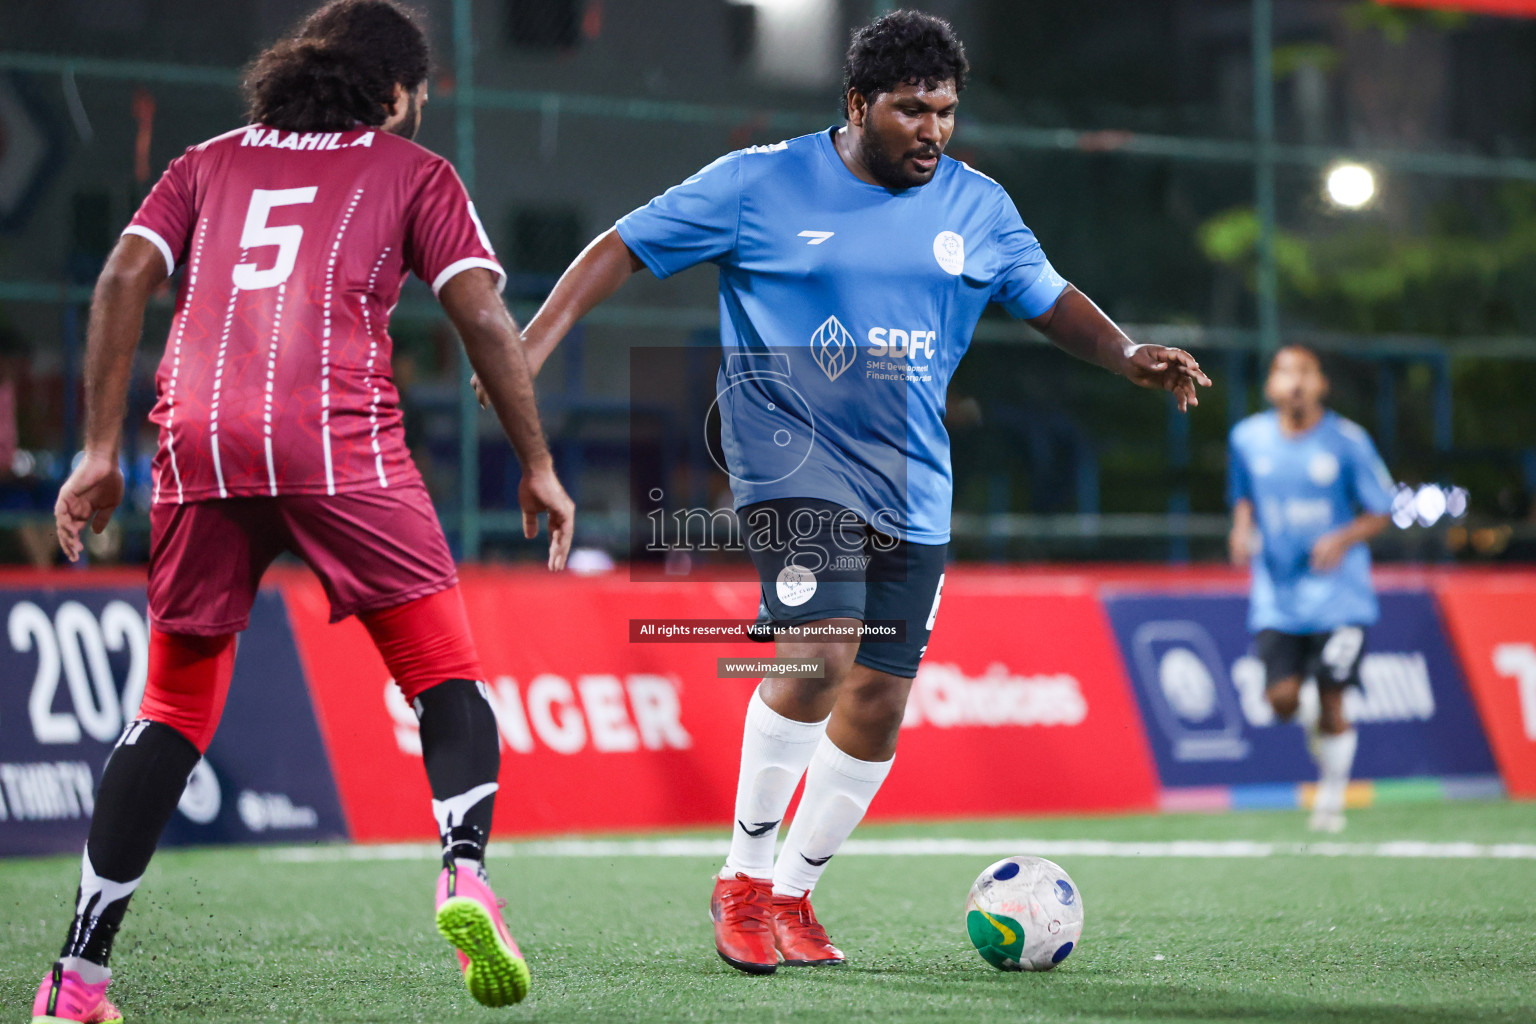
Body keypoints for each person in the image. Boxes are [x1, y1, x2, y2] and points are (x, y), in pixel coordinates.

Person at [476, 9, 1210, 974]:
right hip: (789, 462)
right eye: (912, 111)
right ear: (859, 104)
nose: (933, 131)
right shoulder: (758, 181)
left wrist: (1124, 354)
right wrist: (528, 348)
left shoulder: (976, 205)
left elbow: (1046, 295)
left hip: (912, 479)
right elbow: (618, 245)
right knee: (819, 654)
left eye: (946, 112)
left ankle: (793, 892)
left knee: (878, 701)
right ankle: (740, 879)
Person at [36, 2, 573, 1019]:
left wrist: (100, 450)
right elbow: (483, 318)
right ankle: (463, 872)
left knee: (170, 713)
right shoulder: (414, 173)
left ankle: (77, 976)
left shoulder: (204, 160)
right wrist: (537, 462)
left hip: (197, 447)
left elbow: (121, 278)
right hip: (338, 445)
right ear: (394, 89)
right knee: (443, 678)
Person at [1228, 345, 1393, 833]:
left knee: (1333, 697)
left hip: (1339, 596)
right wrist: (1241, 528)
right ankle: (1322, 746)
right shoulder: (1247, 438)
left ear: (1321, 383)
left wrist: (1342, 538)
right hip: (1278, 596)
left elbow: (1381, 509)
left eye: (1304, 372)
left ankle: (1331, 799)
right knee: (1280, 701)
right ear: (1270, 385)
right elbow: (1242, 494)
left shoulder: (1347, 441)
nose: (1295, 382)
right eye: (1284, 372)